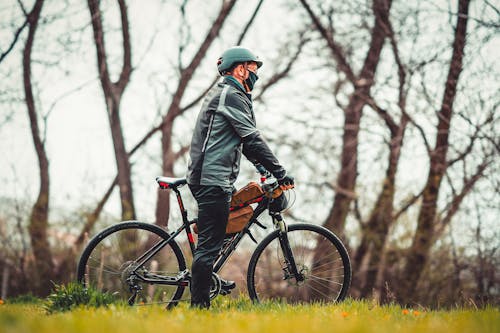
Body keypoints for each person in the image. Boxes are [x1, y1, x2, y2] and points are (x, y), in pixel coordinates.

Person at [186, 46, 294, 309]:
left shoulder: (231, 94)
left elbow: (245, 144)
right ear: (239, 69)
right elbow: (252, 138)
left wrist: (266, 171)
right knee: (209, 247)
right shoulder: (230, 94)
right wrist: (280, 172)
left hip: (214, 178)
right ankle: (198, 309)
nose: (255, 74)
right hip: (211, 180)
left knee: (217, 237)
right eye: (253, 69)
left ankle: (206, 287)